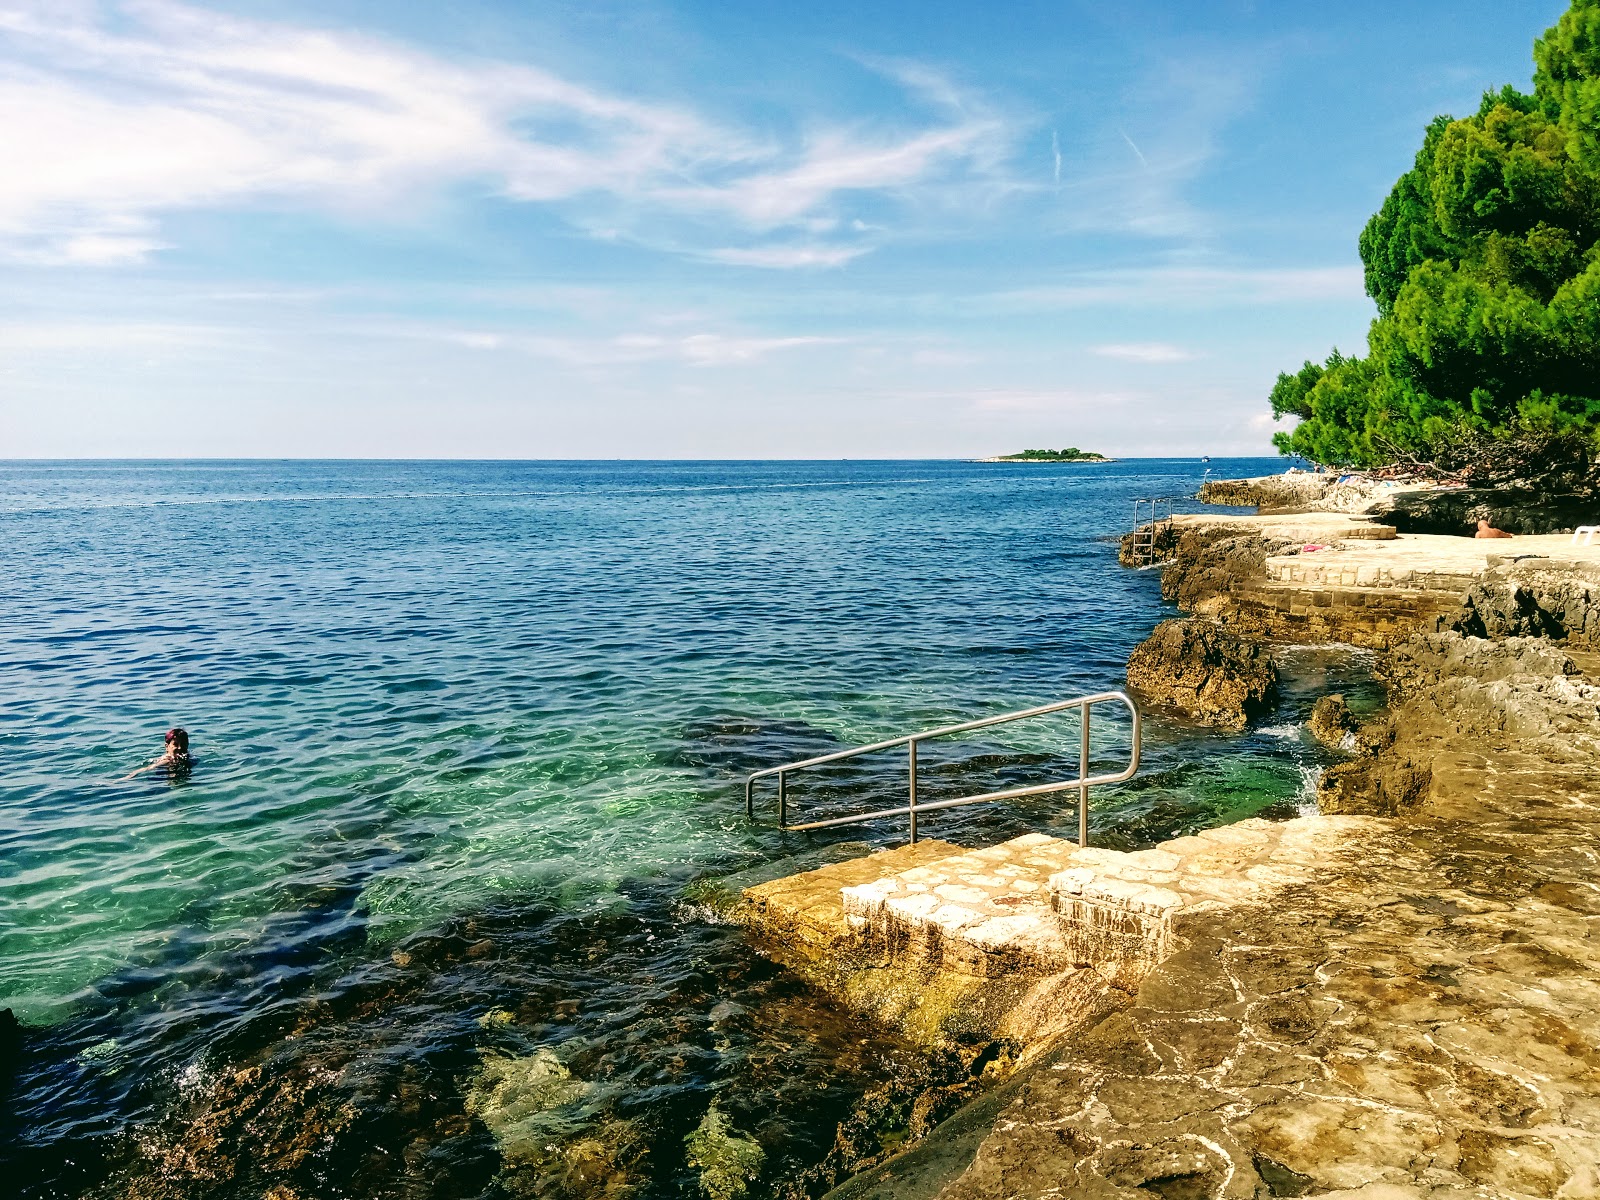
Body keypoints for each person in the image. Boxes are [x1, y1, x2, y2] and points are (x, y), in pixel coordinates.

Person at [123, 727, 192, 779]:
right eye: (175, 744)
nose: (180, 748)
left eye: (183, 744)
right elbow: (146, 769)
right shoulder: (166, 761)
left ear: (187, 744)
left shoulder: (188, 756)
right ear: (167, 746)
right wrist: (124, 779)